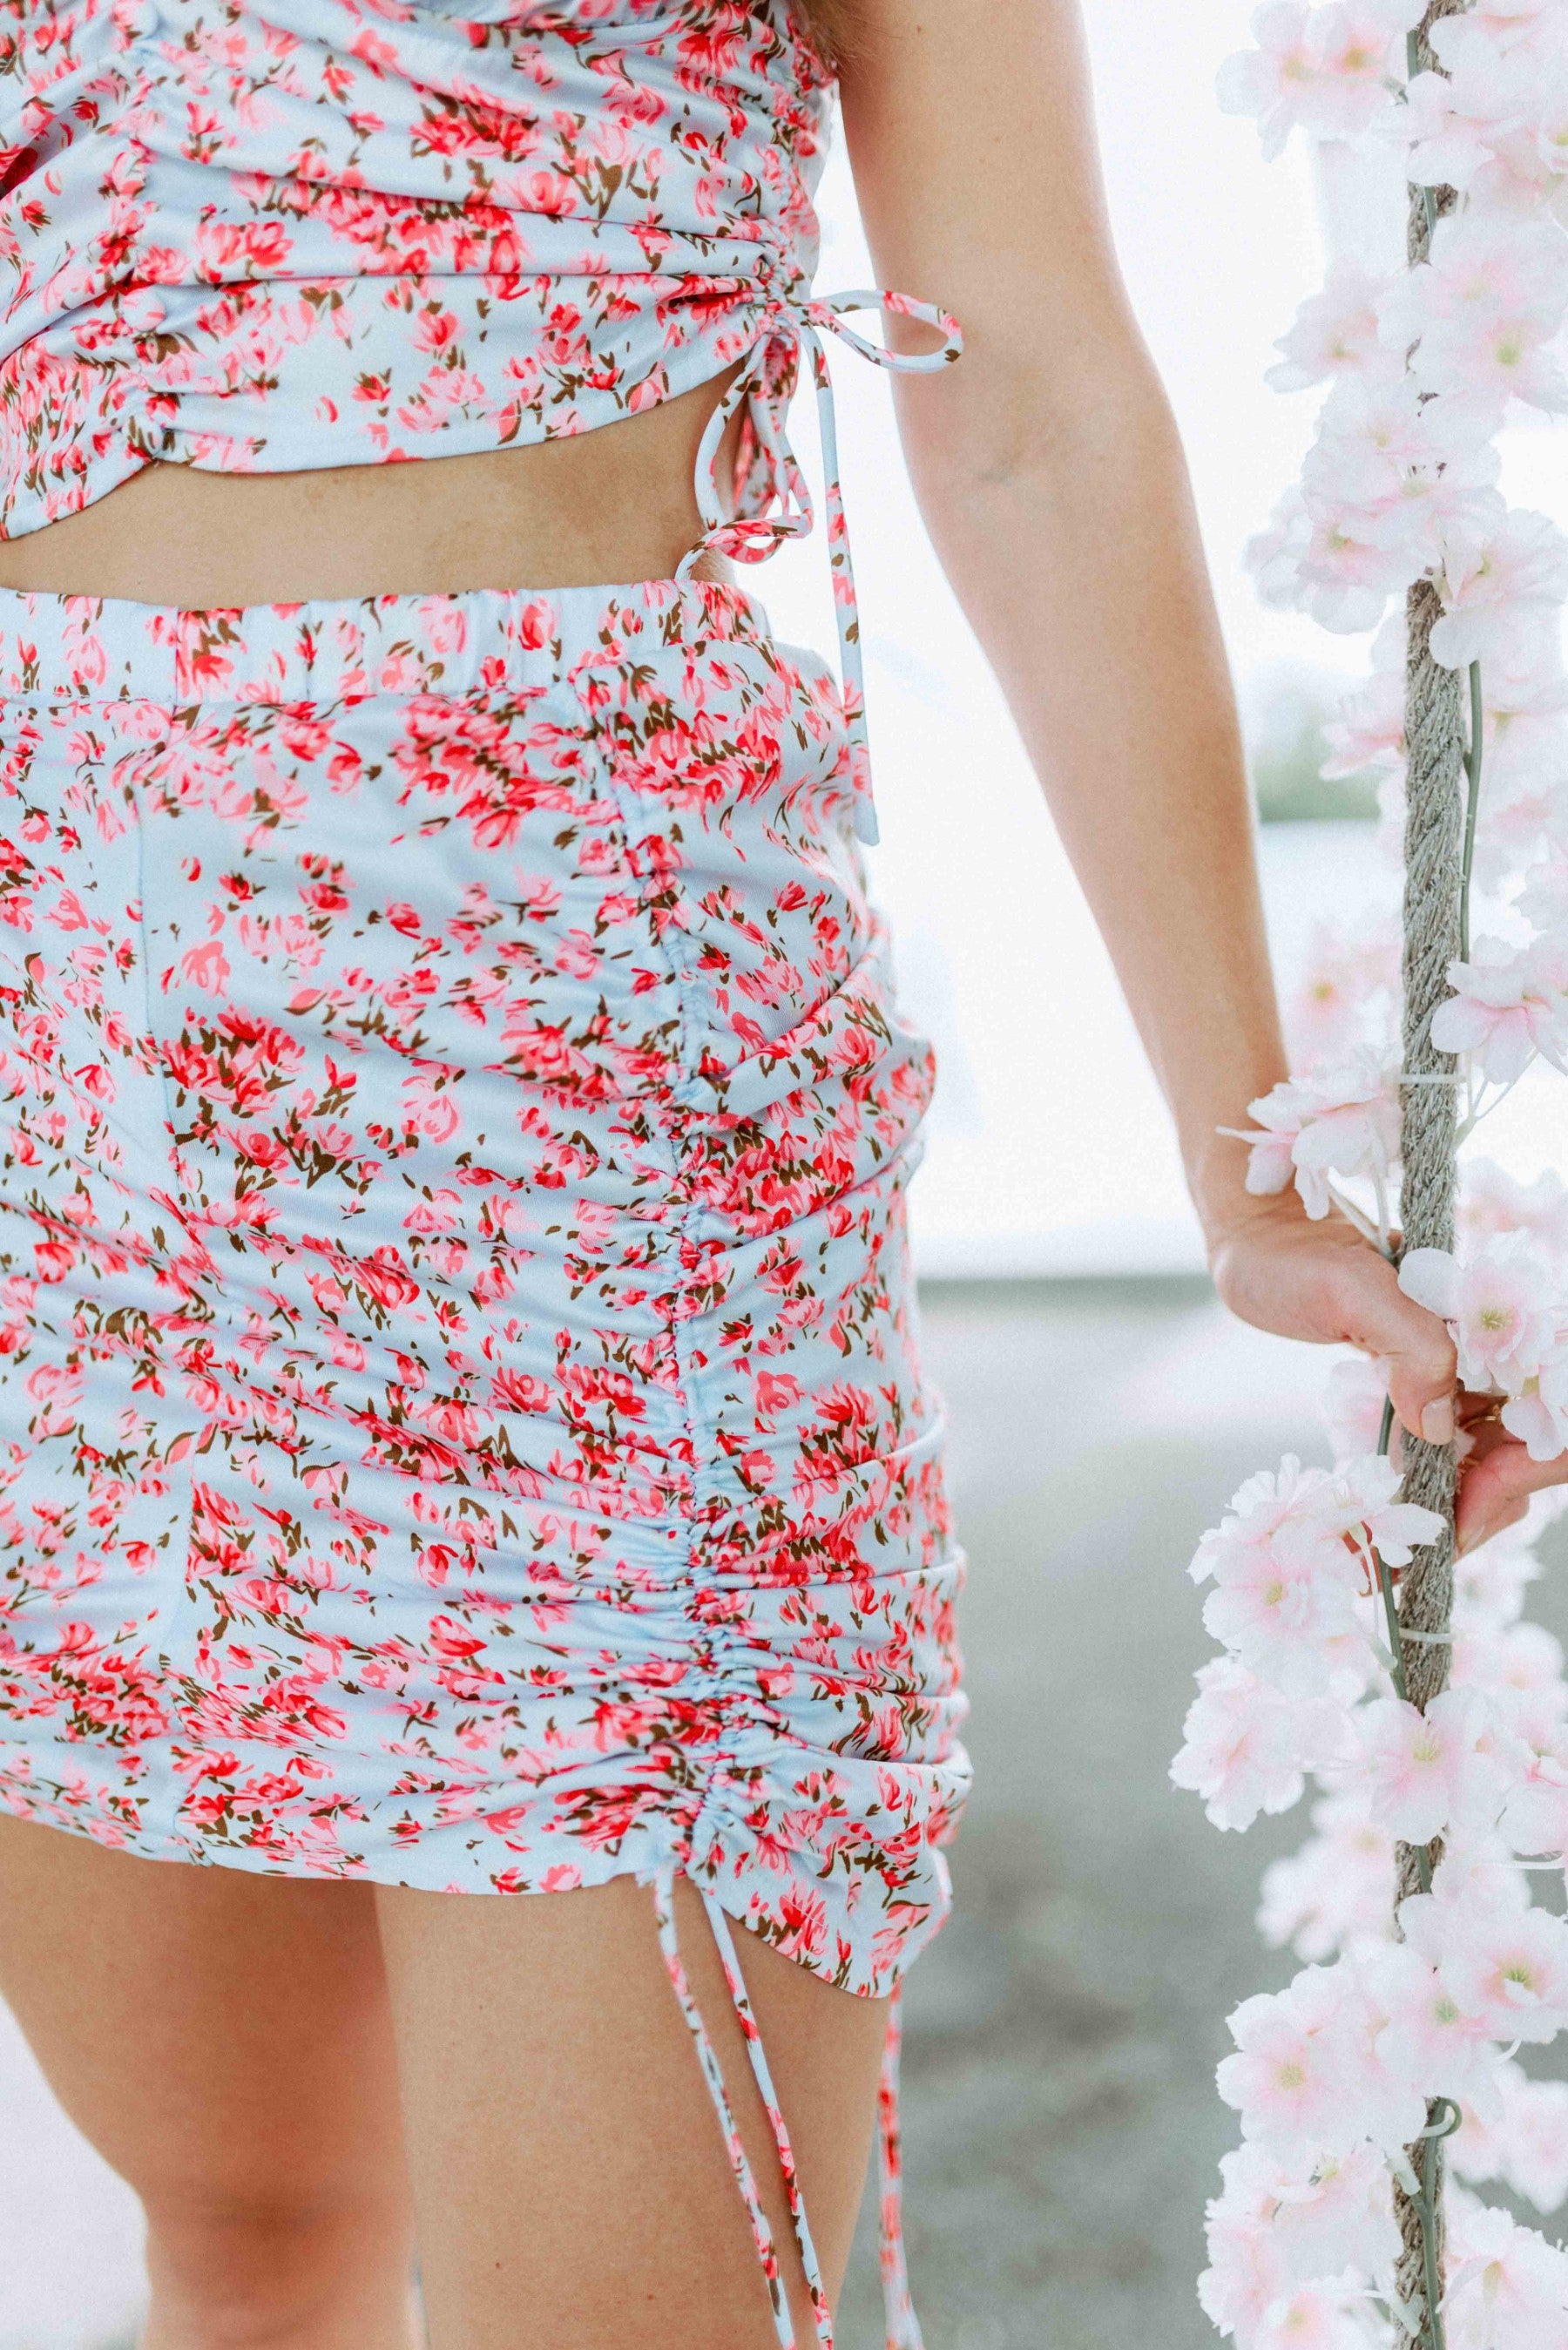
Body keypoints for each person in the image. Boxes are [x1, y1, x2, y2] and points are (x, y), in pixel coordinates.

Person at [0, 2, 1561, 2345]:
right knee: (250, 2236)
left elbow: (1022, 387)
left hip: (585, 1076)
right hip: (62, 1065)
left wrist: (1244, 1160)